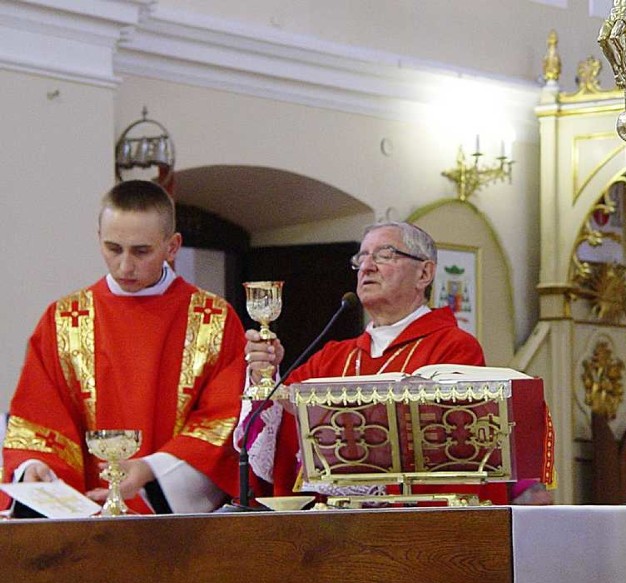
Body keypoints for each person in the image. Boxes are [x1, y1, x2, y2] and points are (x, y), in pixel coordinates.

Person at [3, 180, 247, 514]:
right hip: (83, 524)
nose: (125, 266)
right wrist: (34, 466)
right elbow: (39, 416)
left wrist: (151, 470)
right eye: (113, 248)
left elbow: (223, 420)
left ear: (172, 246)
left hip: (176, 528)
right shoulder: (64, 320)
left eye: (141, 251)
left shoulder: (213, 320)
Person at [238, 221, 511, 504]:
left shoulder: (453, 349)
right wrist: (265, 375)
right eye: (362, 257)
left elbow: (456, 453)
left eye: (384, 255)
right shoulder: (333, 357)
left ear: (424, 273)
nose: (367, 267)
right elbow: (281, 442)